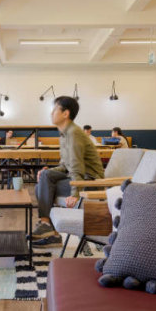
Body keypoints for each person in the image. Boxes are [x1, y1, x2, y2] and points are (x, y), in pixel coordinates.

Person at [32, 97, 105, 246]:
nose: (51, 113)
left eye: (54, 109)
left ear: (65, 113)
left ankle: (46, 226)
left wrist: (75, 193)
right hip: (79, 177)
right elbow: (65, 165)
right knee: (44, 178)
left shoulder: (74, 133)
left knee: (42, 186)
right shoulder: (64, 135)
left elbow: (77, 166)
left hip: (90, 182)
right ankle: (50, 231)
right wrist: (49, 171)